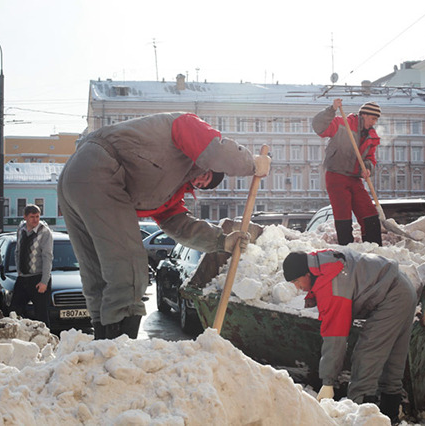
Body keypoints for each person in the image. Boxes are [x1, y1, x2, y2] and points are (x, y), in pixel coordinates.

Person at [57, 112, 271, 341]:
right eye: (206, 176)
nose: (199, 181)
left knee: (98, 274)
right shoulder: (186, 125)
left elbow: (179, 225)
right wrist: (252, 163)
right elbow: (217, 150)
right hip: (101, 167)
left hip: (74, 180)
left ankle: (103, 349)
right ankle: (119, 351)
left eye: (203, 186)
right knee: (129, 269)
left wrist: (221, 241)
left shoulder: (168, 190)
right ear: (206, 165)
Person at [282, 248, 416, 424]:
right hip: (403, 288)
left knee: (366, 357)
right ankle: (390, 415)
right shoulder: (323, 262)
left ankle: (360, 417)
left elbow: (335, 337)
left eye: (297, 281)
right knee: (393, 360)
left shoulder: (332, 285)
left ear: (308, 274)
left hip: (391, 296)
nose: (297, 287)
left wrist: (328, 382)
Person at [312, 99, 383, 246]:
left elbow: (371, 158)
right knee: (342, 213)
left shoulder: (371, 136)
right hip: (336, 175)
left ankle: (374, 248)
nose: (374, 122)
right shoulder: (342, 123)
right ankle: (347, 249)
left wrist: (368, 168)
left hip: (354, 178)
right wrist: (331, 110)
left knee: (369, 212)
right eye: (372, 118)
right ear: (363, 115)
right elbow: (319, 127)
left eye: (376, 119)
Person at [9, 204, 54, 327]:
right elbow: (17, 251)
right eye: (32, 217)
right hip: (23, 277)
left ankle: (46, 342)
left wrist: (44, 281)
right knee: (14, 312)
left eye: (37, 216)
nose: (35, 220)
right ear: (25, 217)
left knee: (41, 316)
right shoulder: (21, 230)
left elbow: (47, 257)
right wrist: (19, 271)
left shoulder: (45, 232)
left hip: (38, 278)